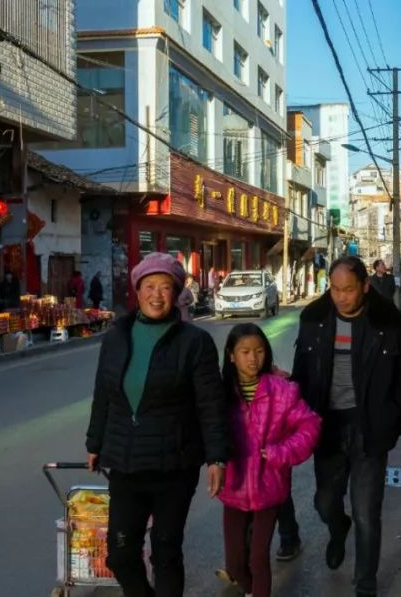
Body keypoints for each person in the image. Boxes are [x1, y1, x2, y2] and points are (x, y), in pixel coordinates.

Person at [85, 253, 228, 597]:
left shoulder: (194, 342)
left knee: (166, 552)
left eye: (166, 287)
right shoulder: (117, 336)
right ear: (137, 290)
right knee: (120, 555)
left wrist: (217, 457)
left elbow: (211, 404)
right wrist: (94, 442)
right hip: (125, 463)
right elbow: (104, 391)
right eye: (150, 286)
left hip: (173, 466)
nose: (157, 295)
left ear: (177, 293)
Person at [292, 256, 401, 597]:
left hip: (370, 429)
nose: (341, 297)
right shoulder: (315, 318)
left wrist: (398, 419)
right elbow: (302, 373)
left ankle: (365, 583)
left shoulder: (388, 321)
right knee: (325, 502)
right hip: (327, 427)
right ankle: (338, 530)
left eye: (348, 290)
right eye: (334, 289)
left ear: (365, 286)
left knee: (367, 512)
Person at [215, 324, 321, 597]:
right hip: (234, 488)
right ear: (231, 356)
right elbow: (203, 426)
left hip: (270, 487)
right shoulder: (219, 394)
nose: (253, 358)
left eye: (259, 351)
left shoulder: (282, 391)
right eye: (245, 351)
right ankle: (249, 590)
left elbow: (310, 426)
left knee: (258, 558)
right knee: (235, 563)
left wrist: (281, 452)